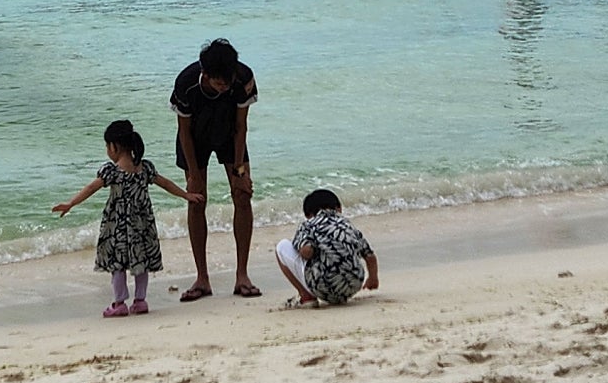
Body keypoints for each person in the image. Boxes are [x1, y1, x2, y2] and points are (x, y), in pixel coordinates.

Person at [54, 118, 189, 317]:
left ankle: (119, 303)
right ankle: (140, 300)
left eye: (107, 146)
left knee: (117, 263)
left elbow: (91, 188)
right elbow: (166, 183)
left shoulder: (111, 172)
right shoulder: (144, 168)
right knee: (141, 260)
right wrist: (186, 195)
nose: (107, 150)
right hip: (142, 224)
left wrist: (71, 203)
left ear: (114, 147)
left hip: (117, 224)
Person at [170, 36, 260, 300]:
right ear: (206, 74)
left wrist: (239, 171)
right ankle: (202, 278)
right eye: (219, 83)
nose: (224, 88)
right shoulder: (185, 84)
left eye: (228, 82)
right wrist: (194, 175)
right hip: (195, 137)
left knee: (242, 196)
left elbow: (241, 127)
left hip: (230, 133)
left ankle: (242, 275)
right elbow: (184, 132)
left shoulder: (242, 78)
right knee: (196, 200)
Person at [275, 189, 378, 307]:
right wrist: (372, 279)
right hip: (352, 285)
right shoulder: (347, 225)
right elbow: (370, 257)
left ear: (308, 215)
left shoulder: (308, 225)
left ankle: (306, 297)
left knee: (282, 246)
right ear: (338, 208)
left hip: (323, 285)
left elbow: (306, 252)